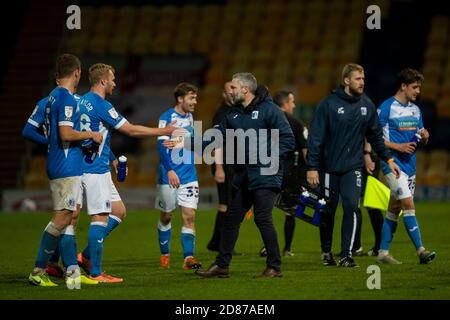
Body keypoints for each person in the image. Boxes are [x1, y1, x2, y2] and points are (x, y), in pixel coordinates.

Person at [77, 63, 177, 282]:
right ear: (103, 81)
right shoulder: (102, 104)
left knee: (119, 211)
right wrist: (164, 131)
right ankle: (95, 272)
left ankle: (85, 256)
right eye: (112, 78)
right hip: (94, 169)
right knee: (100, 217)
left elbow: (90, 135)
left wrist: (112, 158)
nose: (115, 82)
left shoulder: (81, 101)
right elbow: (130, 130)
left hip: (96, 164)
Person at [195, 73, 295, 278]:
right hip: (246, 176)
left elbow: (287, 139)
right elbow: (214, 137)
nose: (228, 91)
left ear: (245, 90)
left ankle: (274, 267)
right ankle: (222, 265)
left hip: (267, 174)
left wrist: (269, 159)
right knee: (232, 219)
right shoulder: (233, 114)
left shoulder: (270, 110)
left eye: (232, 87)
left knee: (262, 218)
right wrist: (187, 144)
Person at [306, 63, 400, 268]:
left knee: (351, 206)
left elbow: (376, 137)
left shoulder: (366, 105)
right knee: (327, 210)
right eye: (358, 78)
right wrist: (312, 167)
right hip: (328, 167)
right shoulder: (328, 104)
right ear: (346, 81)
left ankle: (346, 255)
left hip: (353, 167)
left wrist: (389, 159)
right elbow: (315, 138)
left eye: (363, 78)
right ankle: (326, 250)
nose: (362, 82)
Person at [27, 53, 103, 289]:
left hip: (60, 162)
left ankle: (71, 270)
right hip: (66, 165)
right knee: (62, 218)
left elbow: (31, 131)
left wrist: (50, 143)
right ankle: (39, 270)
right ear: (78, 73)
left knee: (68, 216)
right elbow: (66, 134)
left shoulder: (49, 98)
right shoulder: (68, 99)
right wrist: (90, 135)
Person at [376, 68, 436, 264]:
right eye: (414, 87)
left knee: (394, 208)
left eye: (419, 87)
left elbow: (418, 139)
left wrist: (424, 138)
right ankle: (421, 251)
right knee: (408, 204)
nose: (418, 91)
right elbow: (375, 137)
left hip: (410, 166)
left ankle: (383, 253)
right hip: (392, 164)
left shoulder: (415, 110)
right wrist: (397, 146)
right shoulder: (386, 107)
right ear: (403, 86)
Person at [155, 82, 202, 270]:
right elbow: (160, 146)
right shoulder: (166, 118)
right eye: (192, 98)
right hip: (169, 176)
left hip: (189, 175)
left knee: (189, 216)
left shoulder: (191, 117)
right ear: (180, 99)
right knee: (167, 216)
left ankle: (188, 258)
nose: (195, 102)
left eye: (196, 98)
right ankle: (164, 254)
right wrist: (170, 170)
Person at [260, 90, 308, 257]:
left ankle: (267, 246)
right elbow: (305, 151)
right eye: (292, 101)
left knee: (265, 209)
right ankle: (287, 248)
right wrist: (311, 170)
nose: (294, 105)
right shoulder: (295, 123)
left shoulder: (266, 120)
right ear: (285, 103)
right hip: (289, 172)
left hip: (268, 169)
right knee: (289, 210)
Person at [207, 81, 240, 256]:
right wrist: (219, 167)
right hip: (224, 164)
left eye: (234, 90)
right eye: (230, 91)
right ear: (223, 94)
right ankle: (220, 243)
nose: (232, 94)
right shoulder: (221, 114)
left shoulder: (235, 111)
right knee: (226, 204)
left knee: (228, 204)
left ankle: (216, 241)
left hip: (233, 163)